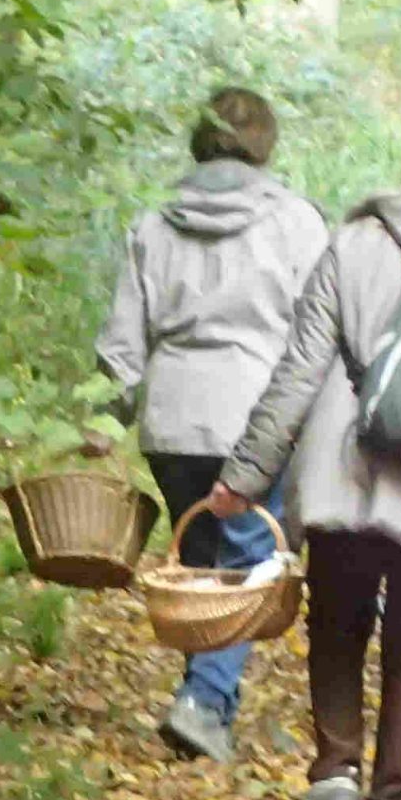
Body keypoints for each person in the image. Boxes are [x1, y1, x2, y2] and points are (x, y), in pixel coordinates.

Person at [207, 145, 401, 800]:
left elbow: (299, 370)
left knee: (336, 625)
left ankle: (333, 778)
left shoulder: (351, 243)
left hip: (340, 466)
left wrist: (245, 475)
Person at [97, 87, 328, 764]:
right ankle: (203, 701)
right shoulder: (296, 222)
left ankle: (205, 706)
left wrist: (106, 416)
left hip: (173, 420)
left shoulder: (153, 224)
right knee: (250, 565)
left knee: (200, 561)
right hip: (257, 417)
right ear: (266, 143)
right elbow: (320, 330)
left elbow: (123, 335)